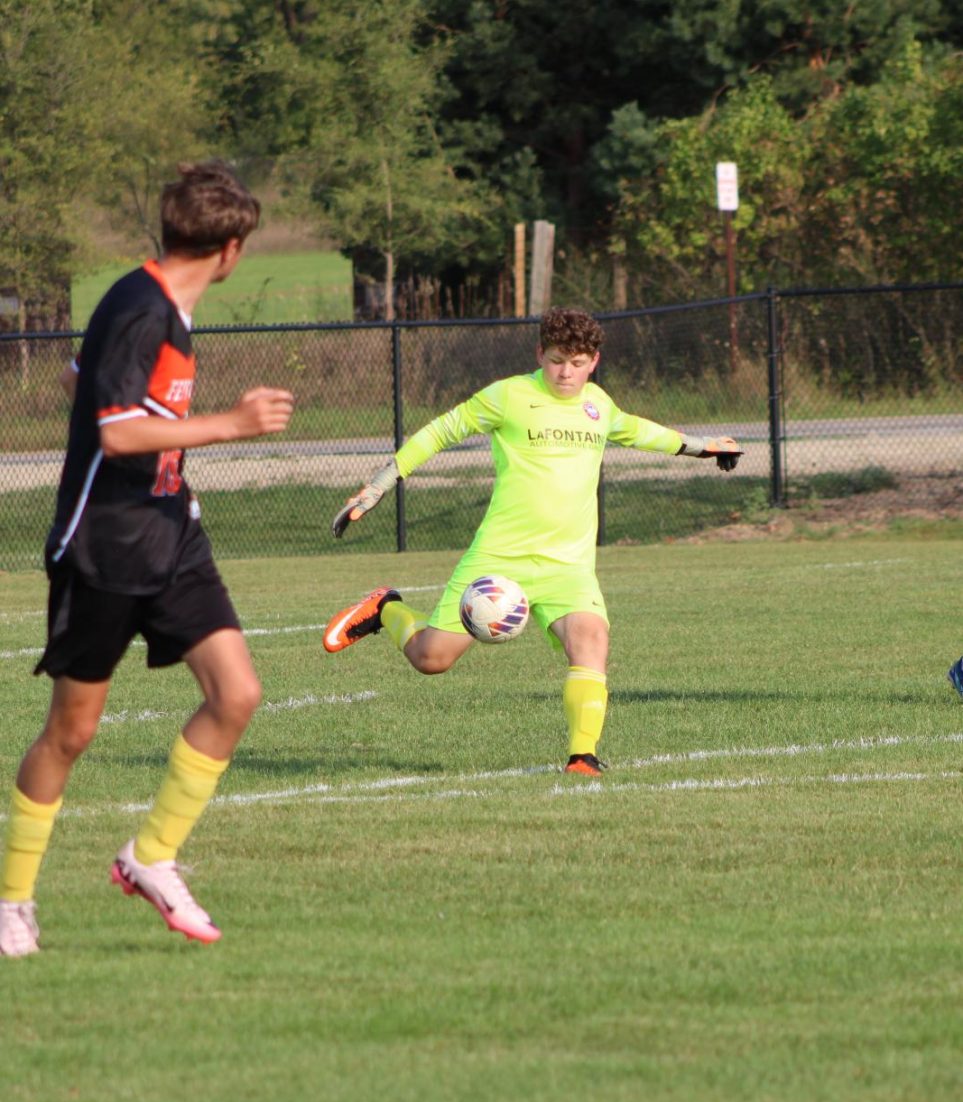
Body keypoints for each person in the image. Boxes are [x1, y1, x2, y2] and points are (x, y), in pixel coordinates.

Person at [0, 161, 295, 958]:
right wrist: (230, 425)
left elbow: (79, 383)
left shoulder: (156, 301)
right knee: (71, 731)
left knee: (236, 694)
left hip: (171, 535)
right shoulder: (141, 308)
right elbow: (117, 431)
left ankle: (151, 856)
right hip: (102, 546)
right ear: (231, 249)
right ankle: (13, 902)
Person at [322, 306, 742, 776]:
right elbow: (440, 431)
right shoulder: (509, 395)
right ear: (540, 353)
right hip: (500, 559)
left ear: (594, 362)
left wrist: (705, 445)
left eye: (578, 362)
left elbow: (642, 432)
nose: (567, 372)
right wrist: (379, 484)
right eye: (558, 359)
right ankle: (386, 608)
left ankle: (582, 757)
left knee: (591, 640)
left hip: (568, 567)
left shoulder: (598, 405)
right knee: (431, 659)